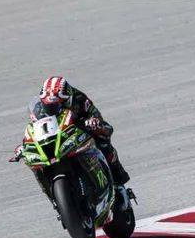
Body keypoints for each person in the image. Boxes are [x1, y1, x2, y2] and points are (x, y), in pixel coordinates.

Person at [11, 76, 133, 209]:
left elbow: (99, 119)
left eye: (58, 104)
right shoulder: (39, 108)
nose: (53, 108)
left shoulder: (80, 100)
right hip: (57, 137)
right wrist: (25, 145)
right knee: (36, 164)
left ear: (67, 98)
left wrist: (94, 122)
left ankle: (118, 182)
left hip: (79, 130)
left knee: (103, 139)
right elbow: (34, 129)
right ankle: (57, 204)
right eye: (49, 105)